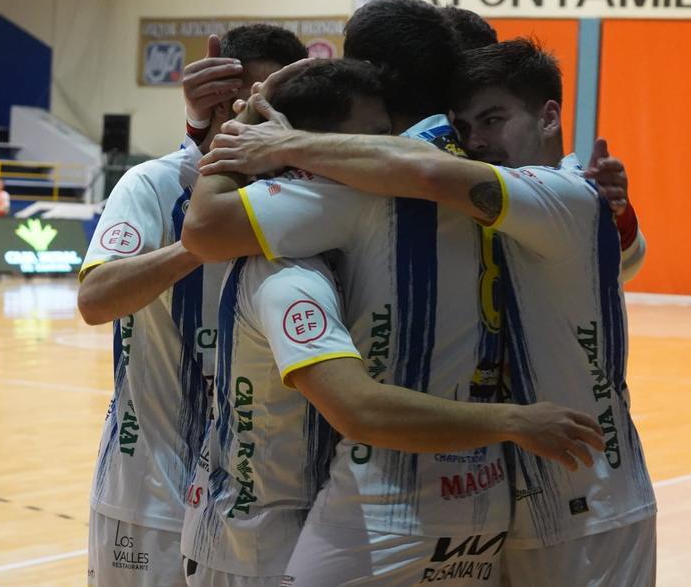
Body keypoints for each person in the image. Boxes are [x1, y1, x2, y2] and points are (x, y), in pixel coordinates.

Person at [201, 38, 653, 585]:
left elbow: (431, 174)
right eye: (466, 127)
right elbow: (626, 257)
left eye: (494, 119)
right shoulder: (489, 203)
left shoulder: (551, 193)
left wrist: (274, 138)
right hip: (507, 499)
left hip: (587, 498)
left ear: (550, 116)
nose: (479, 141)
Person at [183, 0, 519, 586]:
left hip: (389, 497)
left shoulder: (364, 182)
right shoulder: (510, 175)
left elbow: (206, 230)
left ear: (375, 78)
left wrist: (247, 126)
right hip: (492, 489)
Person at [76, 24, 308, 587]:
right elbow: (96, 299)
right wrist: (197, 244)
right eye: (242, 97)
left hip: (257, 505)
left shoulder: (311, 196)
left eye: (269, 100)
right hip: (148, 490)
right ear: (215, 96)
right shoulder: (153, 184)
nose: (252, 112)